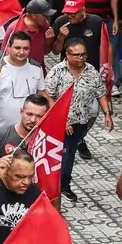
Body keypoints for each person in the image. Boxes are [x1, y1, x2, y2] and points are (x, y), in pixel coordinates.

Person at [46, 38, 113, 202]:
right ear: (67, 54)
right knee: (61, 155)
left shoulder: (91, 71)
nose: (81, 58)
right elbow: (48, 96)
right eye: (76, 55)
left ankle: (64, 185)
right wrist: (61, 119)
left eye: (83, 54)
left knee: (69, 155)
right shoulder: (57, 72)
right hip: (59, 124)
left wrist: (106, 113)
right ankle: (55, 187)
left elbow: (100, 92)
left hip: (80, 123)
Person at [0, 31, 47, 148]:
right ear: (9, 47)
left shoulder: (36, 68)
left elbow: (42, 93)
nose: (21, 52)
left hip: (27, 133)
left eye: (25, 48)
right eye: (17, 48)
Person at [0, 94, 49, 175]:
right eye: (29, 114)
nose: (33, 120)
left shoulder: (49, 141)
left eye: (39, 116)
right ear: (21, 111)